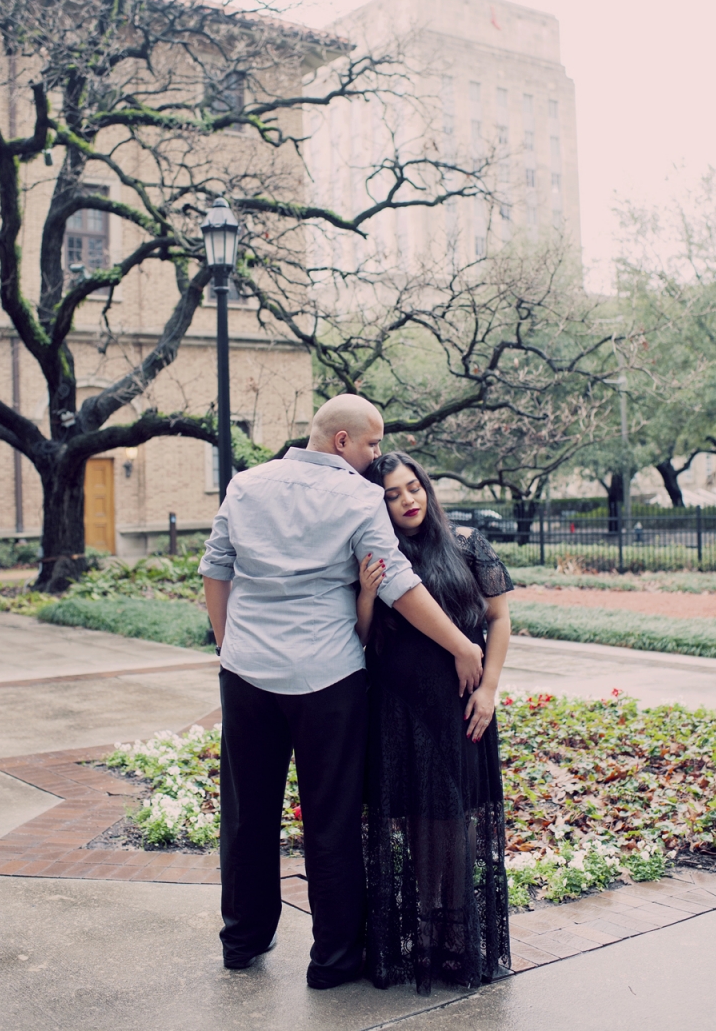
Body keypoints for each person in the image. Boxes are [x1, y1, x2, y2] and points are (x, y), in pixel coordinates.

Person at [199, 395, 484, 990]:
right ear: (341, 442)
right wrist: (461, 644)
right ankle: (332, 961)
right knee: (330, 820)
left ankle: (242, 940)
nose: (376, 455)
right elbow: (397, 585)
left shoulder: (245, 484)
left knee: (248, 814)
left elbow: (217, 567)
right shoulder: (357, 497)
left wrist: (228, 646)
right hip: (326, 678)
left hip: (247, 674)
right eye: (373, 444)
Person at [357, 452, 512, 995]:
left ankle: (456, 939)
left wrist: (489, 689)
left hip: (462, 707)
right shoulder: (377, 553)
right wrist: (366, 595)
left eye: (413, 486)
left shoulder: (468, 544)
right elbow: (364, 639)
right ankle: (420, 937)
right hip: (399, 710)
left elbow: (498, 617)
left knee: (455, 823)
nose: (408, 500)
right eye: (394, 495)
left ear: (426, 486)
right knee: (419, 825)